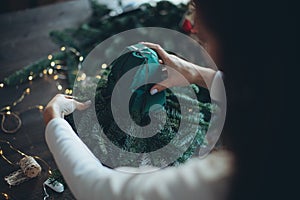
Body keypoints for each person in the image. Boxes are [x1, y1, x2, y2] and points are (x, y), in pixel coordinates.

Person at [44, 0, 285, 199]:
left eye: (206, 32)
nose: (192, 26)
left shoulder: (228, 181)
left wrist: (54, 122)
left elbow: (100, 189)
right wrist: (199, 74)